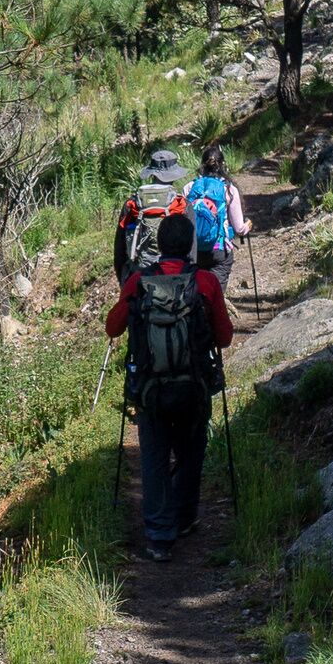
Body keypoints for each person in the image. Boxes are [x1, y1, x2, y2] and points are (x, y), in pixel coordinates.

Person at [103, 207, 234, 559]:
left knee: (155, 457)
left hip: (151, 388)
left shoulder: (139, 282)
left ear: (159, 245)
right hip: (194, 385)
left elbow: (112, 327)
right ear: (191, 243)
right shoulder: (205, 281)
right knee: (191, 452)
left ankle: (160, 537)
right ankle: (186, 516)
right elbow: (224, 338)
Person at [114, 145, 192, 279]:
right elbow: (192, 248)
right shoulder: (181, 205)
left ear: (151, 173)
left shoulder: (132, 204)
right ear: (173, 175)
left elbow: (120, 250)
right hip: (176, 277)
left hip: (139, 274)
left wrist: (124, 279)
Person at [182, 145, 248, 289]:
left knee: (193, 293)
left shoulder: (189, 187)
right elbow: (239, 228)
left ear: (202, 165)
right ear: (223, 165)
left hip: (193, 250)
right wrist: (248, 225)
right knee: (214, 295)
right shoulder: (229, 190)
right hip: (218, 250)